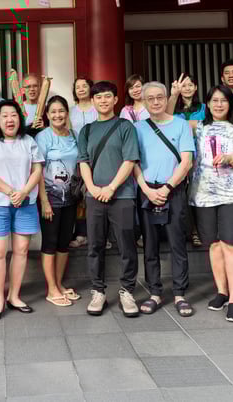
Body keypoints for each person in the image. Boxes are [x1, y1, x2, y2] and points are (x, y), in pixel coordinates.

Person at [190, 85, 233, 323]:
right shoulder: (197, 127)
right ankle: (221, 291)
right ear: (207, 104)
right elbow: (166, 118)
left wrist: (231, 159)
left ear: (231, 103)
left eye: (223, 100)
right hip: (203, 194)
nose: (219, 105)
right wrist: (175, 94)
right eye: (214, 100)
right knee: (214, 245)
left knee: (231, 245)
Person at [77, 81, 140, 318]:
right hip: (94, 196)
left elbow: (130, 160)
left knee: (126, 245)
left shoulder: (125, 126)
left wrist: (112, 187)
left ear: (115, 100)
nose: (103, 101)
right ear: (92, 101)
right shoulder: (86, 131)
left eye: (107, 96)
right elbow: (83, 161)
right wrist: (93, 188)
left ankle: (127, 291)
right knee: (95, 245)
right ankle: (98, 291)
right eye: (98, 97)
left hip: (122, 195)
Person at [0, 100, 44, 321]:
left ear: (20, 118)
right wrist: (11, 191)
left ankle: (14, 296)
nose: (9, 119)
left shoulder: (28, 141)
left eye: (13, 115)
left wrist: (23, 192)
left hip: (25, 202)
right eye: (4, 115)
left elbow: (37, 170)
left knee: (21, 250)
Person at [133, 82, 195, 318]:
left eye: (160, 97)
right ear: (144, 102)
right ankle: (155, 292)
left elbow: (186, 161)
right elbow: (133, 162)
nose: (156, 102)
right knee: (150, 244)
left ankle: (179, 293)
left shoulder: (180, 124)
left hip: (174, 190)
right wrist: (146, 190)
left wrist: (168, 187)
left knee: (177, 243)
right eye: (150, 98)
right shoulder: (137, 128)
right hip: (147, 190)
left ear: (167, 97)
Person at [36, 96, 80, 307]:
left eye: (61, 111)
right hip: (50, 198)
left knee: (64, 243)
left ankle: (59, 284)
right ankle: (51, 288)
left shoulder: (74, 135)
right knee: (50, 242)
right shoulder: (43, 137)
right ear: (47, 115)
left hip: (70, 197)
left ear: (67, 113)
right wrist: (44, 201)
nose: (57, 115)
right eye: (53, 112)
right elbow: (37, 170)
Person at [167, 73, 206, 247]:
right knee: (181, 196)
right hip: (179, 158)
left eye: (191, 85)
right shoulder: (173, 109)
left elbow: (209, 126)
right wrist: (173, 95)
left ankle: (199, 231)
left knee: (197, 195)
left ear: (196, 87)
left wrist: (184, 126)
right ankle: (186, 231)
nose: (187, 88)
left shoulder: (204, 108)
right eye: (184, 85)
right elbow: (166, 120)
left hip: (202, 157)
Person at [68, 77, 97, 249]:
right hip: (77, 157)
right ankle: (81, 234)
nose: (81, 89)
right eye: (77, 87)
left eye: (84, 86)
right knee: (79, 195)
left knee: (97, 195)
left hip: (97, 155)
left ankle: (100, 235)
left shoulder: (97, 108)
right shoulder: (70, 111)